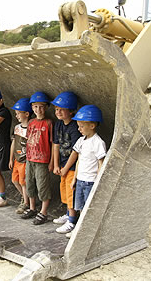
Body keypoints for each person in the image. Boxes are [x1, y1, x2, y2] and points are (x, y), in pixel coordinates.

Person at [63, 104, 106, 237]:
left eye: (82, 126)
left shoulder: (98, 142)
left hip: (90, 182)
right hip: (81, 180)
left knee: (88, 208)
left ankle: (85, 231)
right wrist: (75, 178)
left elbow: (101, 163)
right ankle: (79, 229)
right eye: (78, 125)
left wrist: (99, 181)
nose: (79, 128)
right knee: (80, 207)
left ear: (92, 126)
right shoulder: (81, 140)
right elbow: (79, 160)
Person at [51, 92, 82, 234]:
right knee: (64, 189)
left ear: (71, 111)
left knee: (71, 192)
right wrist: (56, 165)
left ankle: (72, 221)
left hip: (72, 166)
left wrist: (66, 168)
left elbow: (76, 152)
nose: (58, 112)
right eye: (56, 109)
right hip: (63, 165)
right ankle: (68, 214)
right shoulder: (58, 124)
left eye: (61, 109)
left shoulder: (75, 127)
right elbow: (56, 145)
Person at [21, 92, 54, 225]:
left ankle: (44, 212)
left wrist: (52, 162)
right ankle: (32, 208)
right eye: (35, 107)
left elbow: (53, 144)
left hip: (43, 160)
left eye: (41, 107)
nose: (38, 110)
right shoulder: (31, 122)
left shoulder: (49, 123)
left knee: (42, 186)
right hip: (30, 158)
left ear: (46, 108)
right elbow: (28, 139)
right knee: (30, 183)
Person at [9, 98, 32, 214]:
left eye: (19, 113)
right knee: (15, 180)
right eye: (16, 113)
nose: (17, 116)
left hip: (25, 160)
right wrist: (10, 158)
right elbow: (14, 142)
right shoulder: (17, 128)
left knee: (23, 182)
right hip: (17, 159)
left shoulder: (30, 128)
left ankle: (26, 203)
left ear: (27, 114)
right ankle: (25, 197)